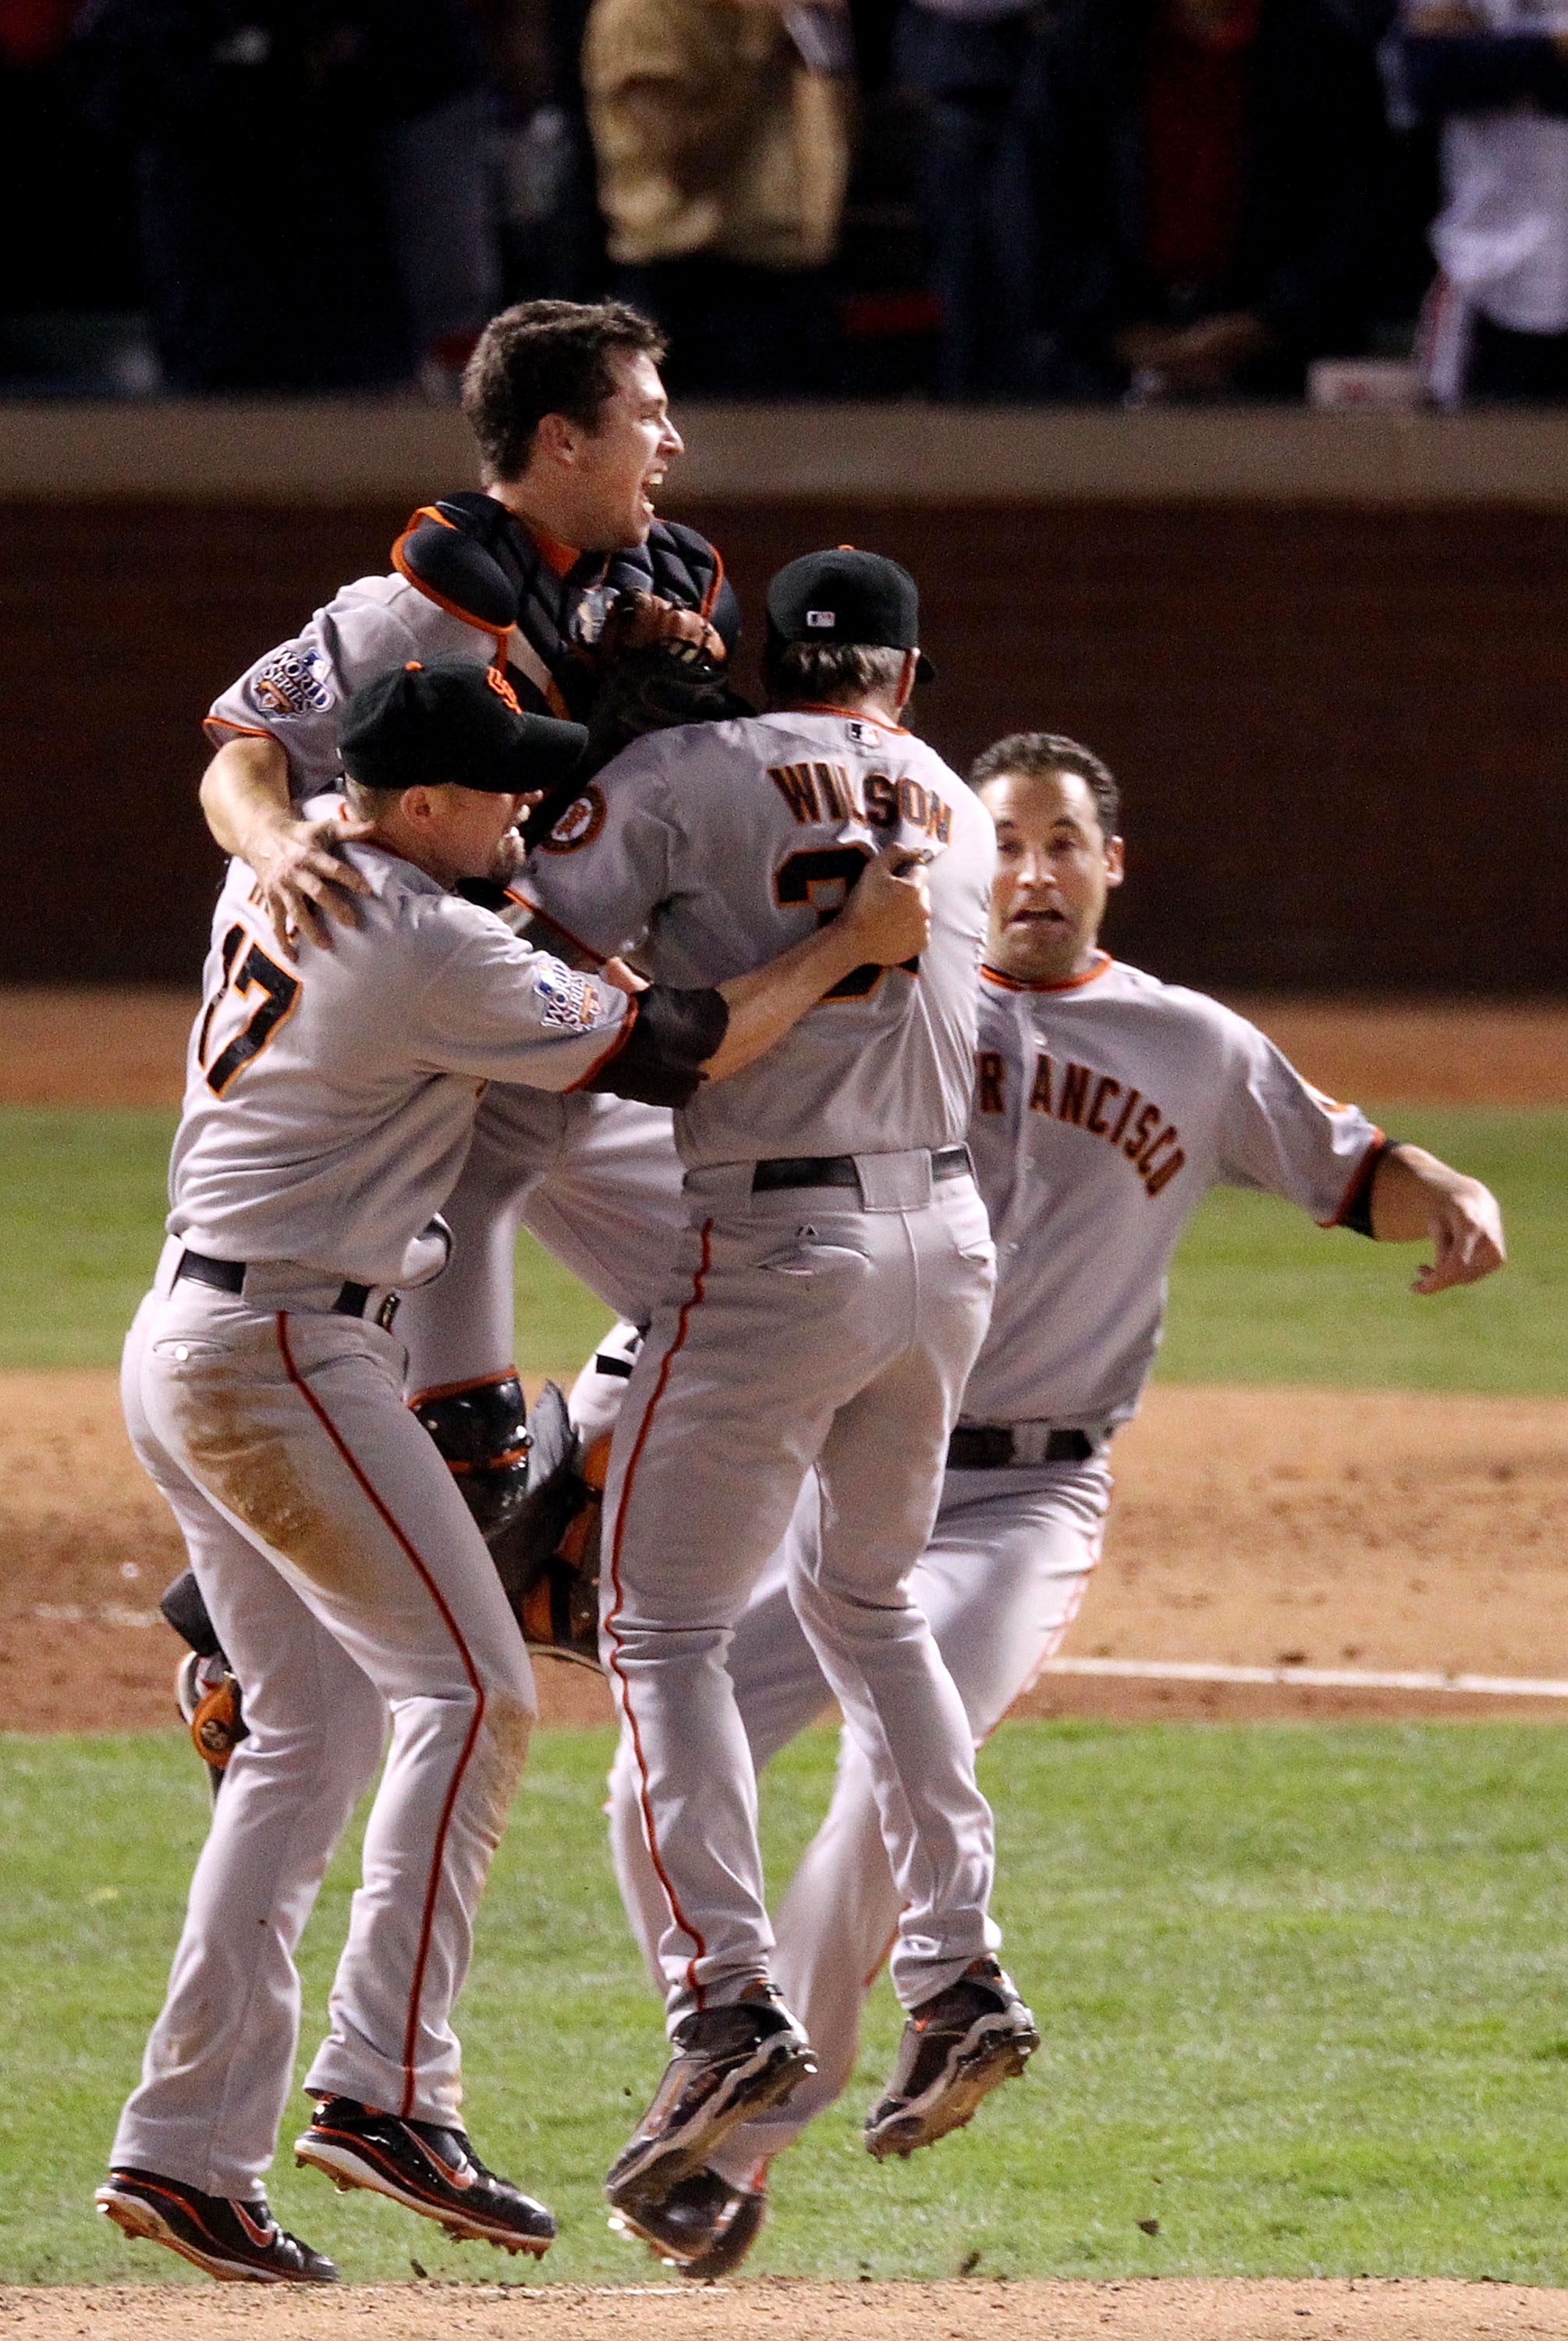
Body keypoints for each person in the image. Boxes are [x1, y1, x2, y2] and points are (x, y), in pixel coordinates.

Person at [600, 726, 1506, 2275]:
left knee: (870, 1817)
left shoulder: (1191, 1044)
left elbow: (1350, 1168)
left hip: (1021, 1507)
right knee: (647, 1779)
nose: (1031, 871)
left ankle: (739, 2158)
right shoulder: (882, 1010)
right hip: (837, 1468)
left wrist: (1456, 1195)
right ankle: (731, 2043)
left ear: (1111, 865)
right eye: (1003, 842)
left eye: (1064, 842)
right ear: (961, 862)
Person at [96, 656, 932, 2286]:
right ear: (416, 807)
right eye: (498, 791)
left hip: (189, 1332)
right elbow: (679, 1043)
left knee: (304, 1740)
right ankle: (386, 2093)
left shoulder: (295, 870)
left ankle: (186, 2150)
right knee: (472, 1695)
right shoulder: (416, 940)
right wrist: (848, 944)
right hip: (283, 1354)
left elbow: (286, 804)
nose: (528, 810)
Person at [521, 546, 1041, 2232]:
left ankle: (726, 2006)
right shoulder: (955, 801)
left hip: (774, 1245)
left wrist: (606, 777)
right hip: (947, 1243)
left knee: (660, 1635)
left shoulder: (678, 775)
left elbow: (541, 972)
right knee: (867, 1600)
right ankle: (960, 1973)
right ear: (902, 671)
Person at [163, 301, 734, 1693]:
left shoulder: (649, 588)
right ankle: (249, 1643)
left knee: (751, 1274)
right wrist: (277, 839)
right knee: (448, 1405)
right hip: (431, 1039)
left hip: (544, 1013)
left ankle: (535, 1530)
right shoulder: (410, 608)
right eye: (644, 412)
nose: (671, 439)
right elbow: (239, 743)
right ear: (561, 437)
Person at [1028, 0, 1392, 400]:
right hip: (1099, 359)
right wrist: (1118, 330)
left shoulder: (1322, 48)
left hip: (1280, 361)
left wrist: (1269, 324)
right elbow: (1036, 208)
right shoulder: (1086, 43)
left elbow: (1355, 215)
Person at [581, 0, 852, 395]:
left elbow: (835, 131)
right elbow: (678, 160)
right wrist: (757, 55)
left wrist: (826, 40)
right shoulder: (642, 12)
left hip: (797, 280)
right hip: (694, 291)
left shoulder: (785, 11)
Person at [1392, 0, 1568, 404]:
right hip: (1488, 268)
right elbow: (1431, 74)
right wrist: (1552, 53)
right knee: (1466, 457)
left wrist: (1506, 64)